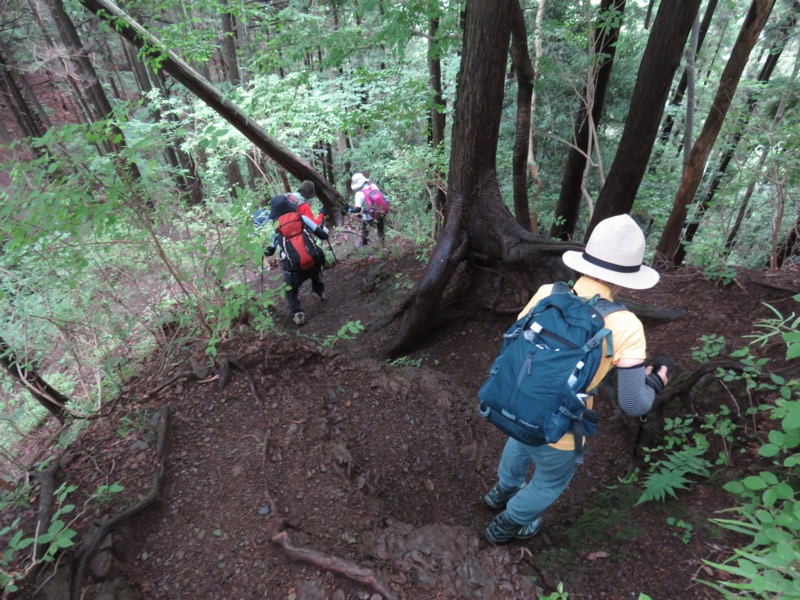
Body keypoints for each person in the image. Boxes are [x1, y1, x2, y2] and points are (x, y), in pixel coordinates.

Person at [483, 214, 669, 544]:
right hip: (561, 427)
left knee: (520, 441)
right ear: (626, 278)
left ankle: (500, 492)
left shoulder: (547, 293)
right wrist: (655, 384)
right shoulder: (626, 326)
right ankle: (508, 523)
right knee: (550, 480)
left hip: (517, 402)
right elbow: (632, 402)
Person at [263, 195, 329, 326]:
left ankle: (298, 313)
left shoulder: (275, 229)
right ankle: (320, 291)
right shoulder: (302, 218)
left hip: (294, 268)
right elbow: (323, 236)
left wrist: (261, 250)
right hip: (313, 263)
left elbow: (269, 251)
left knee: (290, 290)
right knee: (313, 263)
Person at [345, 172, 387, 246]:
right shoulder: (374, 186)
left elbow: (357, 209)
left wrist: (349, 209)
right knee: (381, 229)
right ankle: (383, 245)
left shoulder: (359, 194)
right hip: (380, 211)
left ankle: (364, 244)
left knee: (365, 229)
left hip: (369, 215)